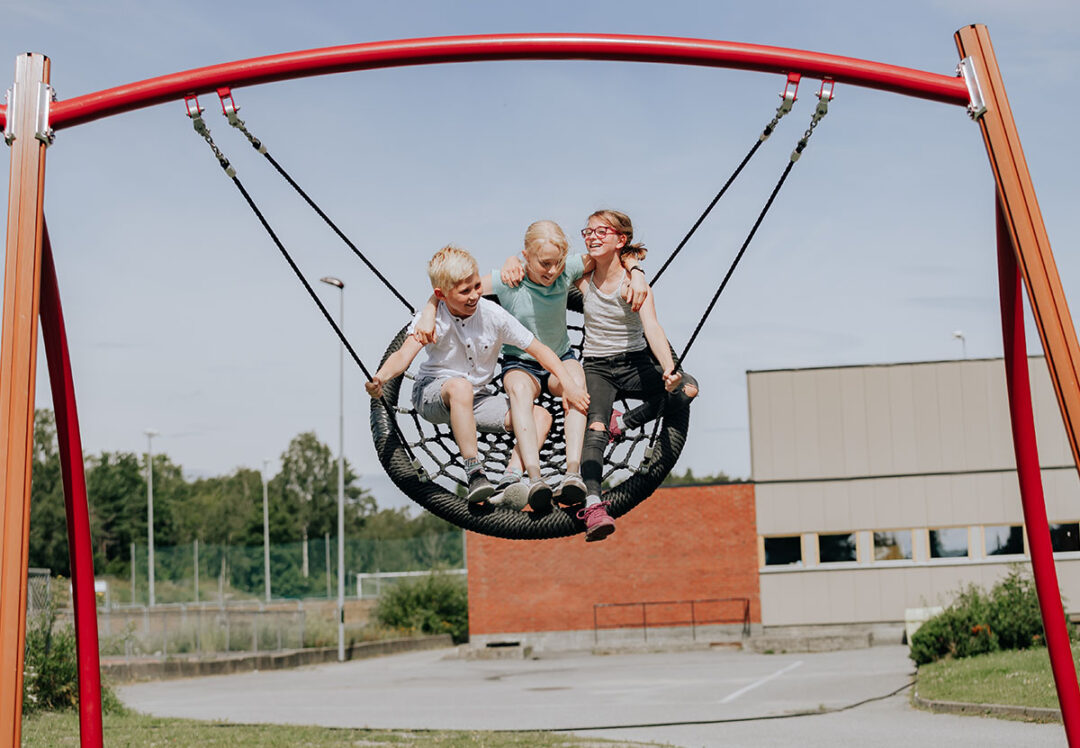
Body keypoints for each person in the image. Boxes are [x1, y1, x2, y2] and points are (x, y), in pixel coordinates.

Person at [417, 222, 647, 511]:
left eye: (557, 263)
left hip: (559, 359)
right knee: (519, 390)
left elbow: (615, 253)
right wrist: (428, 311)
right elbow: (452, 290)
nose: (552, 271)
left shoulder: (568, 270)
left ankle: (573, 472)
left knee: (577, 384)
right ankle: (534, 476)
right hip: (521, 363)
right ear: (526, 256)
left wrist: (636, 271)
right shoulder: (508, 280)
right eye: (544, 264)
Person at [366, 244, 588, 512]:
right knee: (460, 388)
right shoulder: (432, 319)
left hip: (477, 400)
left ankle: (510, 479)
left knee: (541, 416)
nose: (474, 296)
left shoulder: (493, 316)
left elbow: (539, 350)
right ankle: (474, 471)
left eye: (476, 286)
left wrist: (569, 383)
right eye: (465, 291)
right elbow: (403, 355)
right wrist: (381, 377)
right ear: (441, 295)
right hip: (434, 394)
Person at [574, 209, 699, 541]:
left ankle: (624, 423)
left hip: (634, 361)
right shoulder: (582, 276)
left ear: (620, 239)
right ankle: (593, 503)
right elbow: (543, 268)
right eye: (588, 232)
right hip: (597, 365)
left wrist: (670, 370)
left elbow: (652, 328)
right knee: (596, 426)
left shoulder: (634, 284)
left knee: (687, 390)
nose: (593, 237)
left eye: (602, 231)